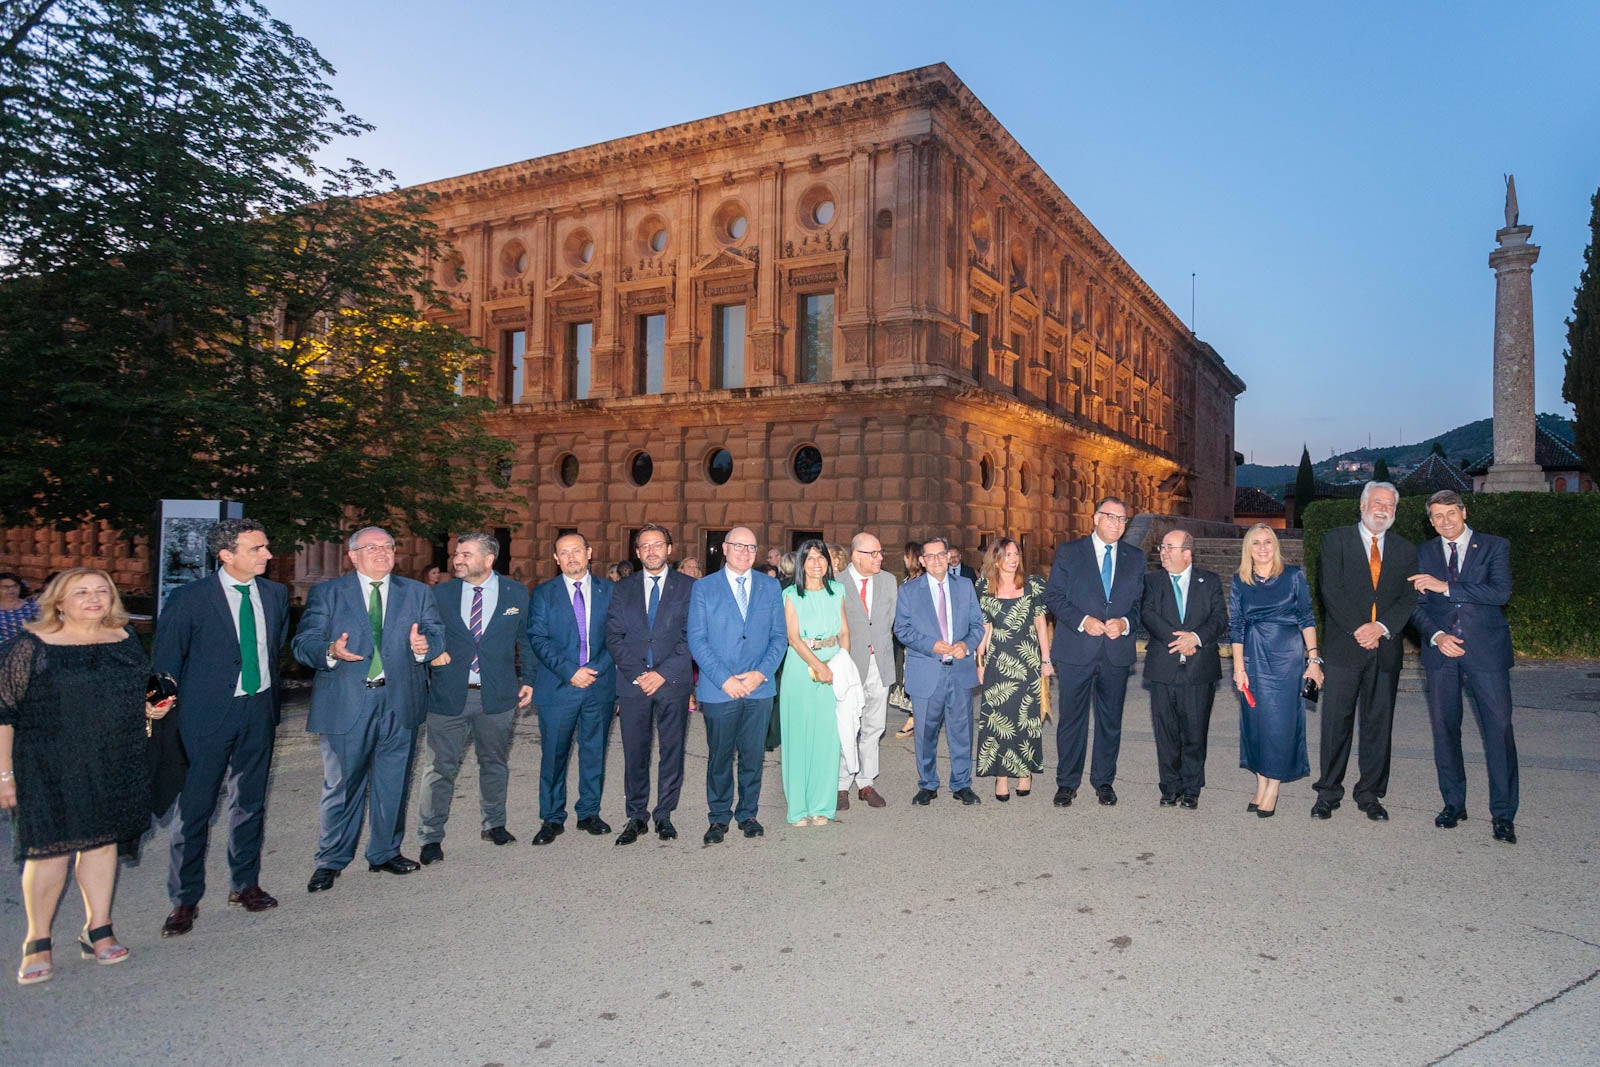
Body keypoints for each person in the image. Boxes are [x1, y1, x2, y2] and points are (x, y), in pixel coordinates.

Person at [1, 569, 172, 984]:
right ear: (59, 601)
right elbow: (4, 713)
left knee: (100, 845)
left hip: (115, 757)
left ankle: (98, 928)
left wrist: (152, 707)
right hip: (47, 763)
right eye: (81, 592)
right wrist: (4, 774)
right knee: (49, 851)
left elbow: (139, 688)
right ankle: (37, 941)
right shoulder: (31, 645)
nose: (94, 598)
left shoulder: (124, 638)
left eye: (101, 591)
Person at [151, 518, 289, 937]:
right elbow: (165, 662)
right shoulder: (190, 598)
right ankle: (184, 899)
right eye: (257, 548)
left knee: (251, 802)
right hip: (204, 718)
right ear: (226, 555)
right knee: (195, 809)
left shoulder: (275, 594)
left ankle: (244, 884)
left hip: (258, 712)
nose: (267, 554)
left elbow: (272, 648)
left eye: (266, 546)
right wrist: (157, 710)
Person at [291, 527, 444, 892]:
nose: (381, 553)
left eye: (388, 547)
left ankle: (385, 852)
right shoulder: (329, 593)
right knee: (342, 787)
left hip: (400, 701)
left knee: (393, 783)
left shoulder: (418, 593)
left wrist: (424, 647)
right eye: (371, 547)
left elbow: (436, 636)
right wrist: (330, 651)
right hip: (346, 704)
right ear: (353, 556)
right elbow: (303, 643)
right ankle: (330, 860)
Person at [416, 533, 534, 865]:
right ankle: (430, 837)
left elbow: (525, 639)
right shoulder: (440, 593)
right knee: (439, 769)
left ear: (488, 559)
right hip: (449, 695)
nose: (457, 560)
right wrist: (430, 651)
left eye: (466, 554)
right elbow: (423, 632)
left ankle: (494, 824)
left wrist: (531, 681)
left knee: (494, 764)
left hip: (497, 696)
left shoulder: (516, 593)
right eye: (456, 554)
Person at [1409, 491, 1519, 843]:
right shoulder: (1423, 553)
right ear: (1430, 520)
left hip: (1486, 653)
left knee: (1499, 731)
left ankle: (1503, 814)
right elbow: (1414, 606)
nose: (1445, 521)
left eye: (1451, 513)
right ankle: (1454, 803)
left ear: (1464, 512)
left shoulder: (1493, 547)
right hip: (1442, 654)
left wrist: (1447, 587)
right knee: (1445, 730)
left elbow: (1500, 593)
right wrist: (1437, 635)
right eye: (1437, 516)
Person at [1312, 481, 1417, 822]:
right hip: (1345, 646)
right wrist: (1360, 628)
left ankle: (1370, 793)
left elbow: (1409, 598)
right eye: (1377, 502)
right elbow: (1330, 589)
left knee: (1378, 725)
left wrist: (1381, 628)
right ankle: (1328, 792)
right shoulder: (1335, 540)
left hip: (1385, 651)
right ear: (1362, 505)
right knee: (1335, 725)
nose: (1383, 509)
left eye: (1390, 505)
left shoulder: (1404, 550)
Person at [1044, 497, 1146, 807]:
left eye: (1122, 519)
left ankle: (1104, 781)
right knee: (1071, 720)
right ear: (1095, 519)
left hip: (1115, 652)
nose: (1117, 523)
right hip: (1076, 650)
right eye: (1111, 517)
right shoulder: (1070, 553)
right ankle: (1067, 783)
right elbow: (1054, 597)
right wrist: (1082, 621)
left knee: (1110, 721)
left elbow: (1141, 606)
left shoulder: (1135, 557)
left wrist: (1126, 623)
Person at [687, 527, 787, 843]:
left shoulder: (771, 587)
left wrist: (761, 673)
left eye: (751, 547)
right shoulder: (704, 588)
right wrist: (725, 678)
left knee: (753, 756)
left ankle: (748, 814)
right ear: (725, 549)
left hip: (759, 688)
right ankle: (718, 818)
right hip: (720, 688)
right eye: (738, 546)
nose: (745, 552)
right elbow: (697, 639)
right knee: (719, 757)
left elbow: (779, 637)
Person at [604, 524, 696, 845]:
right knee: (635, 751)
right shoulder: (622, 588)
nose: (652, 550)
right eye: (645, 546)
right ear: (637, 552)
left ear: (670, 549)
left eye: (658, 544)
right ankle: (636, 815)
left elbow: (692, 637)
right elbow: (613, 636)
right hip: (634, 684)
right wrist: (640, 672)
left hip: (672, 682)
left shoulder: (688, 587)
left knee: (671, 750)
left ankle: (664, 814)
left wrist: (662, 672)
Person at [527, 532, 616, 845]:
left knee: (594, 752)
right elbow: (537, 638)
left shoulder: (609, 590)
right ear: (555, 559)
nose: (571, 557)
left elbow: (618, 636)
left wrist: (595, 669)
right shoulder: (543, 594)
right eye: (563, 553)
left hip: (599, 685)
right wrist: (570, 672)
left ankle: (589, 812)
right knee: (554, 755)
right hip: (558, 687)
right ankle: (551, 818)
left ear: (589, 552)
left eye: (576, 550)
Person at [1227, 525, 1321, 818]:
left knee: (1279, 723)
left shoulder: (1293, 576)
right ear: (1248, 548)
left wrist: (1314, 659)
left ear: (1276, 546)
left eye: (1268, 542)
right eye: (1256, 543)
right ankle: (1261, 781)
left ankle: (1273, 787)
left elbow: (1306, 617)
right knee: (1256, 721)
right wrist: (1238, 667)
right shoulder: (1240, 581)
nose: (1263, 547)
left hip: (1286, 657)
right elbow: (1236, 626)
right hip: (1253, 657)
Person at [893, 536, 984, 806]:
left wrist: (966, 646)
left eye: (940, 555)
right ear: (921, 561)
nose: (935, 560)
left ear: (949, 556)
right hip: (927, 672)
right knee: (925, 732)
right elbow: (902, 630)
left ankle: (961, 784)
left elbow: (977, 626)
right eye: (929, 556)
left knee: (961, 730)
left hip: (959, 671)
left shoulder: (965, 586)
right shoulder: (909, 591)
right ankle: (928, 784)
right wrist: (932, 645)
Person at [1140, 530, 1227, 809]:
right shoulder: (1152, 581)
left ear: (1187, 553)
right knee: (1165, 732)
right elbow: (1148, 614)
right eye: (1161, 547)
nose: (1162, 552)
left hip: (1199, 669)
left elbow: (1219, 619)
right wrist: (1179, 640)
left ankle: (1191, 788)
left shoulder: (1209, 581)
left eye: (1169, 547)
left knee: (1195, 731)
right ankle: (1169, 787)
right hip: (1163, 667)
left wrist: (1196, 639)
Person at [974, 538, 1053, 801]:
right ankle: (1001, 775)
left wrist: (1046, 659)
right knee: (998, 718)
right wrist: (980, 661)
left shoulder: (1032, 585)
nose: (1013, 558)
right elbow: (984, 627)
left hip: (1027, 660)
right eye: (1007, 554)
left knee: (1026, 719)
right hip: (998, 661)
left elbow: (1041, 623)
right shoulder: (984, 587)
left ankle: (1024, 772)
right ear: (996, 559)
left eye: (1016, 553)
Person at [779, 541, 851, 826]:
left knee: (827, 739)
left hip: (833, 666)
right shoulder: (790, 595)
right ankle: (798, 808)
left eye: (821, 557)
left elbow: (845, 630)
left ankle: (821, 805)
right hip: (801, 668)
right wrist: (819, 666)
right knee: (799, 738)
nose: (817, 563)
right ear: (801, 564)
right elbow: (793, 638)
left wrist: (842, 664)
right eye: (810, 558)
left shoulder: (838, 591)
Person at [838, 532, 897, 809]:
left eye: (880, 552)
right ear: (856, 555)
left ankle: (866, 782)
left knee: (874, 726)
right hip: (849, 666)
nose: (880, 558)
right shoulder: (836, 584)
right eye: (873, 554)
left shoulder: (888, 581)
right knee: (846, 726)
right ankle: (841, 784)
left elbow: (888, 624)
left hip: (880, 664)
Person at [892, 541, 924, 738]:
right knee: (907, 678)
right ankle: (916, 716)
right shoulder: (908, 580)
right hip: (903, 638)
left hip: (915, 638)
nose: (903, 559)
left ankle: (915, 718)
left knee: (914, 677)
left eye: (906, 556)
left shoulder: (921, 582)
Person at [0, 573, 38, 642]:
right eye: (6, 587)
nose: (12, 590)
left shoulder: (33, 607)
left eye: (15, 586)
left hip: (27, 647)